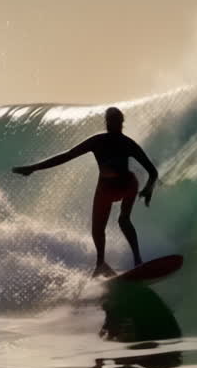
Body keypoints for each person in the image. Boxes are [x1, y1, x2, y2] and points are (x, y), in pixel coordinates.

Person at [13, 107, 158, 277]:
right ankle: (101, 264)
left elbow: (152, 171)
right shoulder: (97, 142)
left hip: (127, 185)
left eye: (118, 122)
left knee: (124, 220)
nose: (115, 125)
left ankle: (138, 260)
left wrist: (149, 188)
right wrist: (34, 168)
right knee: (97, 228)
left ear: (122, 123)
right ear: (107, 123)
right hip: (105, 188)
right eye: (112, 122)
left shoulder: (128, 144)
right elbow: (67, 156)